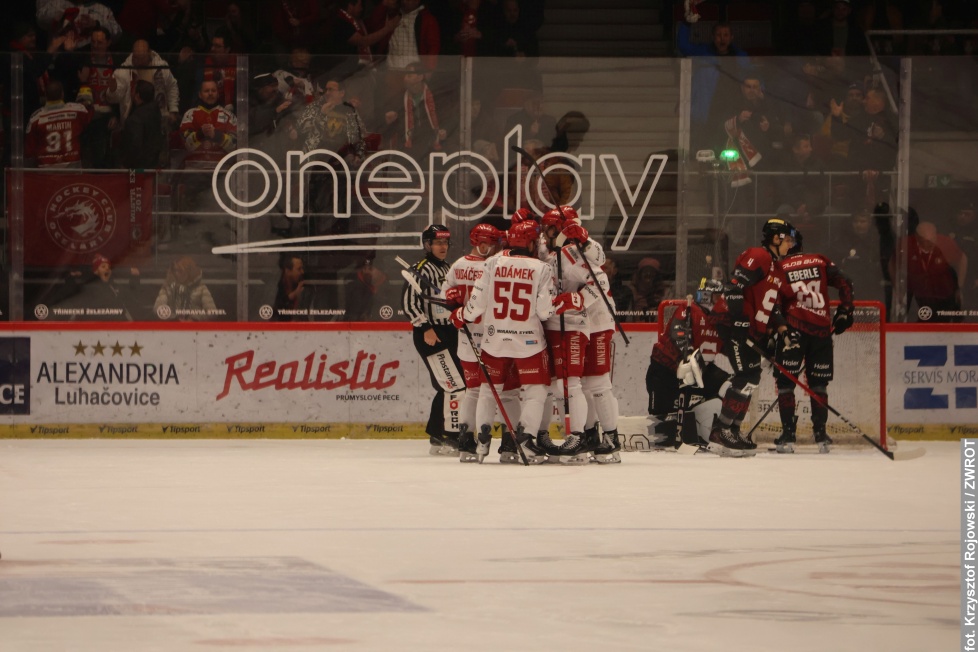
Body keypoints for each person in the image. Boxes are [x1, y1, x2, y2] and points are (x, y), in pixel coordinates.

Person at [453, 219, 555, 464]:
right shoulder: (542, 268)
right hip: (528, 341)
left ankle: (482, 442)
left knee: (488, 391)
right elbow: (544, 312)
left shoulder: (492, 262)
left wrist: (461, 315)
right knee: (535, 392)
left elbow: (476, 304)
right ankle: (526, 440)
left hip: (493, 339)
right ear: (531, 242)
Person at [707, 217, 796, 457]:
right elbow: (734, 287)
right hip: (732, 322)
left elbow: (772, 306)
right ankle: (721, 431)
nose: (790, 245)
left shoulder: (777, 269)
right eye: (787, 240)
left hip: (748, 327)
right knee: (747, 375)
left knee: (751, 377)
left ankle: (733, 430)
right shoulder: (760, 256)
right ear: (776, 238)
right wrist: (738, 322)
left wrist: (782, 329)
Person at [440, 223, 522, 463]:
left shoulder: (460, 265)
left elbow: (447, 296)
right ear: (478, 241)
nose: (489, 246)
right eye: (486, 242)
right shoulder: (494, 265)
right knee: (491, 392)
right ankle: (480, 442)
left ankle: (484, 444)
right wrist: (451, 303)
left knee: (484, 392)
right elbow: (448, 297)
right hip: (489, 338)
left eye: (492, 242)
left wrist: (452, 305)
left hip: (480, 337)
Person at [771, 231, 855, 454]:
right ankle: (821, 436)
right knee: (818, 385)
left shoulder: (779, 267)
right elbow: (846, 282)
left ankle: (788, 436)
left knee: (786, 385)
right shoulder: (820, 260)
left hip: (793, 331)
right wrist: (846, 311)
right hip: (821, 332)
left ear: (789, 244)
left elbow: (774, 303)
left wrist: (777, 329)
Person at [646, 279, 730, 449]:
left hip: (701, 372)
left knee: (731, 387)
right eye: (716, 298)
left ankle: (718, 432)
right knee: (662, 424)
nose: (720, 303)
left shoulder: (720, 321)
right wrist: (682, 362)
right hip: (667, 371)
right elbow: (678, 336)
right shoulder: (689, 310)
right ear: (706, 296)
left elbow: (731, 348)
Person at [402, 225, 462, 455]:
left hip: (449, 331)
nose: (443, 247)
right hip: (430, 334)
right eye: (438, 243)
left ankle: (438, 434)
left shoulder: (448, 268)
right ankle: (450, 436)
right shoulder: (420, 270)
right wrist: (425, 327)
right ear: (427, 245)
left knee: (448, 384)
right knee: (453, 384)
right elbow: (409, 303)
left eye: (445, 243)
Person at [893, 221, 967, 322]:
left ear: (936, 236)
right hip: (916, 295)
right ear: (917, 238)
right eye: (924, 241)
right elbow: (892, 264)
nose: (928, 244)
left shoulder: (946, 243)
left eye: (932, 240)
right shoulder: (906, 244)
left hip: (943, 293)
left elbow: (962, 259)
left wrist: (959, 286)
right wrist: (897, 288)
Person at [26, 80, 92, 168]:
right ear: (62, 94)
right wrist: (88, 103)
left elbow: (29, 151)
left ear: (45, 96)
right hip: (72, 166)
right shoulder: (78, 111)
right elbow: (89, 118)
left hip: (45, 169)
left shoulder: (35, 118)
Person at [153, 255, 219, 321]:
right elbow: (158, 308)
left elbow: (212, 312)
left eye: (180, 271)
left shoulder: (201, 288)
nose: (177, 273)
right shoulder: (167, 288)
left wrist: (194, 318)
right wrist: (175, 318)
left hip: (195, 327)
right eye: (175, 270)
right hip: (172, 326)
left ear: (189, 271)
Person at [119, 79, 163, 169]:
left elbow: (135, 146)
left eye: (133, 90)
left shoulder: (135, 119)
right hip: (155, 164)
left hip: (138, 169)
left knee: (135, 183)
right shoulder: (156, 112)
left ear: (137, 96)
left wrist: (126, 164)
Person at [272, 254, 314, 321]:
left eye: (302, 268)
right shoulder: (274, 287)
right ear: (288, 271)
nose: (302, 272)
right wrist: (292, 295)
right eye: (299, 269)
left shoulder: (305, 287)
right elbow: (273, 312)